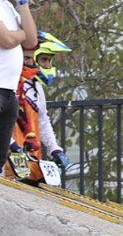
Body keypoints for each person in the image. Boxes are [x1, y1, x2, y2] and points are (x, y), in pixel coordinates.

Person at [5, 31, 73, 184]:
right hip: (8, 158)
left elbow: (43, 121)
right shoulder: (8, 83)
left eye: (49, 61)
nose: (47, 66)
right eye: (43, 60)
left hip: (30, 159)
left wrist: (55, 149)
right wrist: (11, 144)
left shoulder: (36, 87)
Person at [0, 0, 37, 173]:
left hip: (9, 93)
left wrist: (22, 2)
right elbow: (5, 40)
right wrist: (19, 36)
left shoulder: (7, 5)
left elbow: (31, 40)